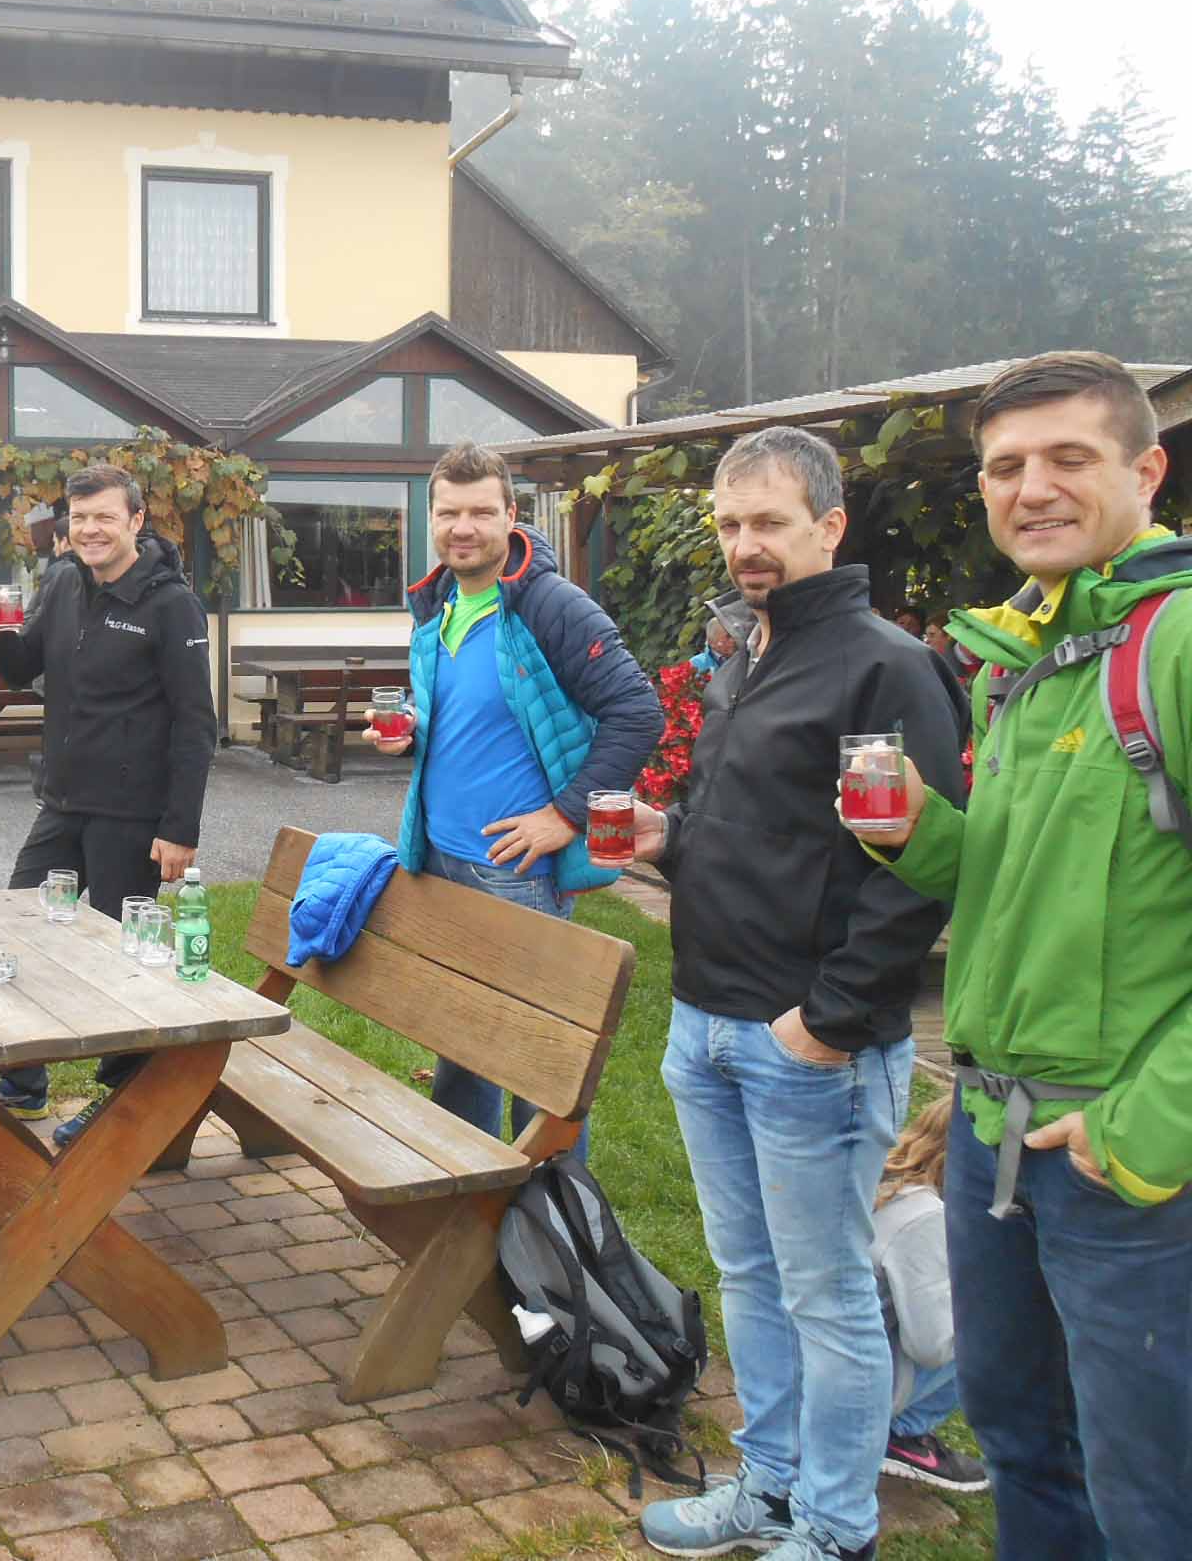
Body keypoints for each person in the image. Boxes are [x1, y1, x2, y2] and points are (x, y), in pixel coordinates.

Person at [844, 352, 1192, 1560]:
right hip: (991, 1132)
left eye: (1067, 459)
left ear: (1146, 471)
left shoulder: (1175, 645)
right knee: (1021, 1443)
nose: (1029, 488)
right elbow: (1016, 886)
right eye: (1003, 467)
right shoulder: (1025, 659)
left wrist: (1144, 1128)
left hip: (1123, 1162)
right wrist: (916, 835)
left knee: (1152, 1494)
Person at [629, 426, 969, 1561]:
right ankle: (769, 1487)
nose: (745, 546)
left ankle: (835, 1525)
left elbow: (917, 869)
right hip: (706, 1023)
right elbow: (767, 832)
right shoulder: (746, 655)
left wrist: (828, 1021)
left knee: (826, 1294)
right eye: (730, 525)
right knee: (751, 1277)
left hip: (807, 1046)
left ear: (829, 525)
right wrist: (670, 837)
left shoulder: (884, 667)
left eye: (768, 522)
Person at [366, 443, 661, 1161]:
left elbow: (637, 712)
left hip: (514, 868)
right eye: (448, 513)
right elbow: (475, 711)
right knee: (461, 1043)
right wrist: (409, 734)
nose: (462, 528)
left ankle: (555, 1212)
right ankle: (459, 1188)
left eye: (480, 512)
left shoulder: (551, 604)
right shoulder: (437, 602)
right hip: (440, 856)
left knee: (538, 1064)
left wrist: (565, 815)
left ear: (511, 514)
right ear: (431, 518)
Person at [0, 464, 217, 1138]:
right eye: (79, 518)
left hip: (132, 815)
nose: (90, 530)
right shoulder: (62, 583)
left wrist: (180, 827)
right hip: (63, 801)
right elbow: (23, 668)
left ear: (136, 521)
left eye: (105, 517)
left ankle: (123, 1104)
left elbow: (196, 723)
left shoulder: (171, 605)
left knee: (121, 960)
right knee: (18, 926)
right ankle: (23, 1081)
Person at [870, 1097, 987, 1494]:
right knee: (1007, 1326)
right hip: (848, 1389)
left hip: (798, 1362)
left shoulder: (884, 1178)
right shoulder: (925, 1220)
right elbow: (932, 1348)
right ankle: (898, 1433)